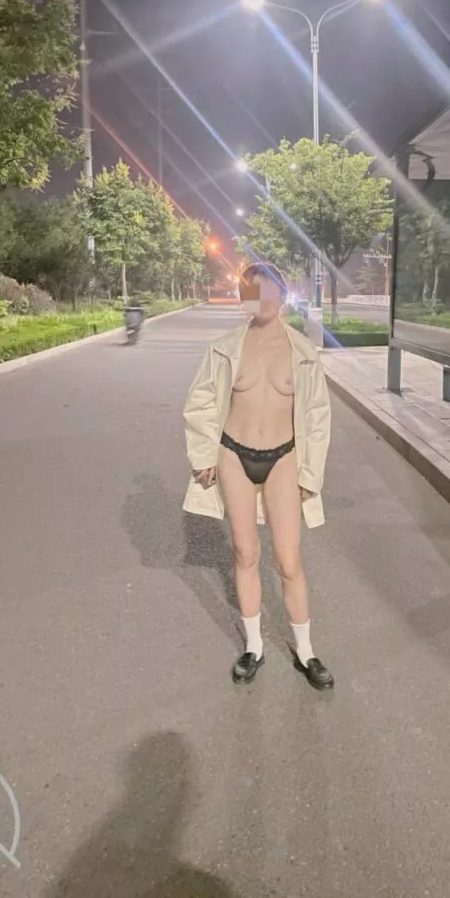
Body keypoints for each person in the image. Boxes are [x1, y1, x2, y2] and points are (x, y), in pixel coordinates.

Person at [182, 262, 334, 690]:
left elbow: (317, 417)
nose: (259, 301)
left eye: (267, 292)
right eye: (251, 293)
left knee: (288, 559)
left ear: (282, 296)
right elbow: (201, 402)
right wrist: (203, 455)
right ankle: (253, 646)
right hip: (234, 454)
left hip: (284, 458)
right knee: (245, 553)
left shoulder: (303, 353)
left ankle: (306, 652)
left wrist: (310, 473)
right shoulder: (225, 348)